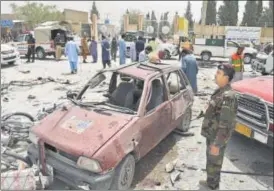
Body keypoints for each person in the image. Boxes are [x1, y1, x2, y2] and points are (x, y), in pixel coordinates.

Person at [200, 63, 237, 190]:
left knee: (214, 162)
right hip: (211, 133)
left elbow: (225, 124)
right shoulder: (220, 91)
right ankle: (210, 181)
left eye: (219, 74)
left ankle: (213, 185)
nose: (215, 75)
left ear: (226, 77)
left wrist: (217, 143)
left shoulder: (228, 96)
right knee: (210, 159)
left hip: (217, 138)